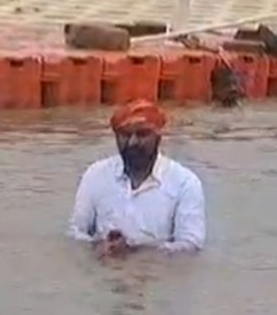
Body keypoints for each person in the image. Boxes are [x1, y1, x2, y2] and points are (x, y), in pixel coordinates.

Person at [68, 100, 207, 258]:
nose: (132, 142)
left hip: (157, 275)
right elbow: (75, 233)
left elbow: (190, 247)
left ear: (158, 137)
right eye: (125, 135)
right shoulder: (96, 175)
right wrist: (98, 246)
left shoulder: (184, 183)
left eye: (142, 134)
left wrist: (135, 252)